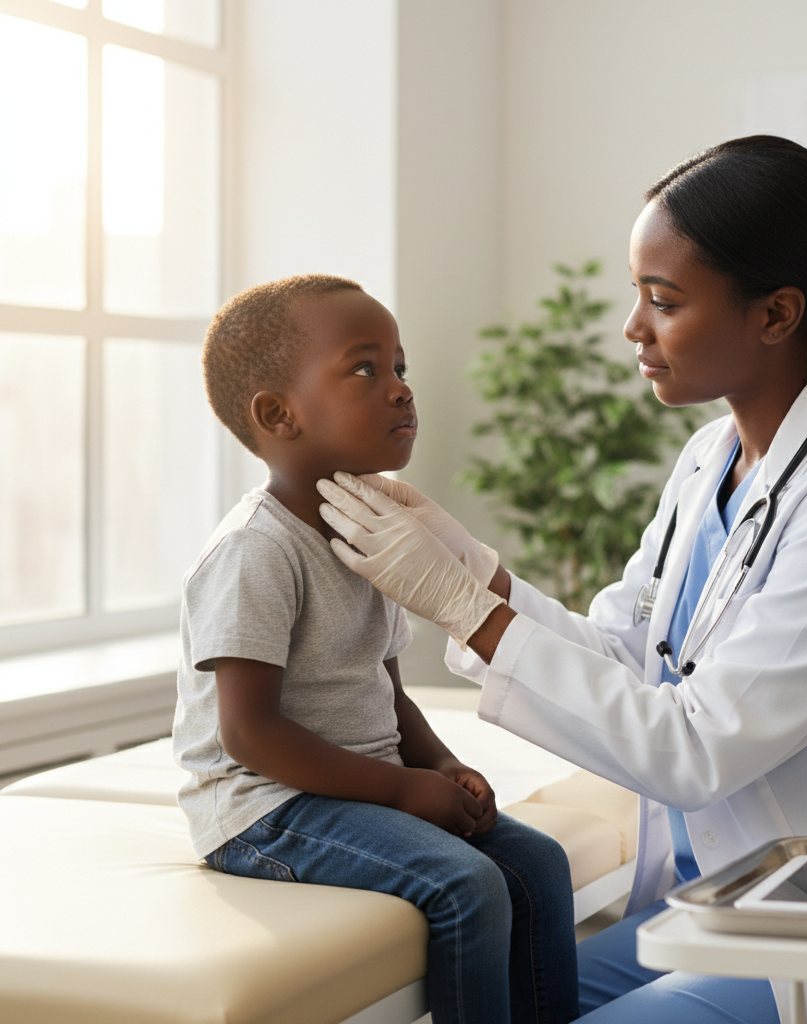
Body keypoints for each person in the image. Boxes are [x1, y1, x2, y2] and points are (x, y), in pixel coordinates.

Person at [317, 137, 807, 1024]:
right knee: (519, 992)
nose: (632, 327)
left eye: (664, 300)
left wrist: (470, 614)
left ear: (775, 314)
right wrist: (474, 574)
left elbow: (695, 744)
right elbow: (628, 650)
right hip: (733, 901)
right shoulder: (710, 460)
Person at [172, 274, 579, 1024]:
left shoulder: (367, 533)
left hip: (346, 788)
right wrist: (399, 791)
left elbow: (384, 692)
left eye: (400, 367)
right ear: (277, 414)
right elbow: (247, 734)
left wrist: (440, 765)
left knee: (537, 865)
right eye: (366, 368)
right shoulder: (256, 551)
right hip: (266, 808)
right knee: (468, 884)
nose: (399, 389)